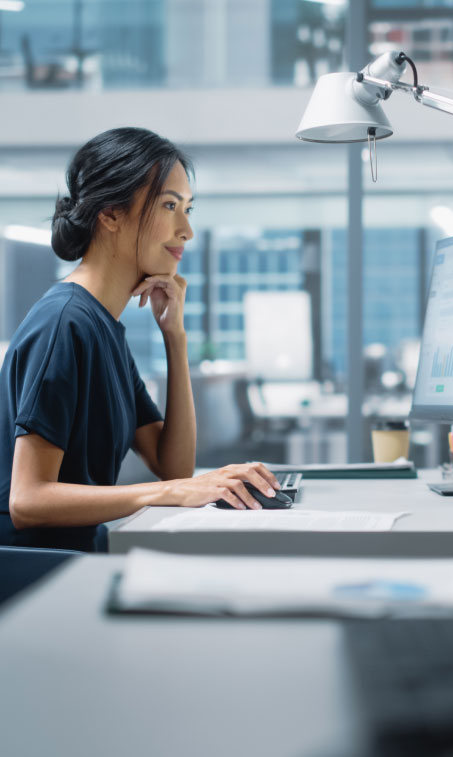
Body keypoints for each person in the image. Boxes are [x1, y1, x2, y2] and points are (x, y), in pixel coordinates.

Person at [0, 127, 281, 552]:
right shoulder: (64, 325)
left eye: (187, 209)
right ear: (111, 214)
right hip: (38, 572)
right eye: (170, 206)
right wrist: (169, 493)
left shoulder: (103, 327)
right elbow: (28, 499)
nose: (186, 230)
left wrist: (175, 337)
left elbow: (174, 466)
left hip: (82, 556)